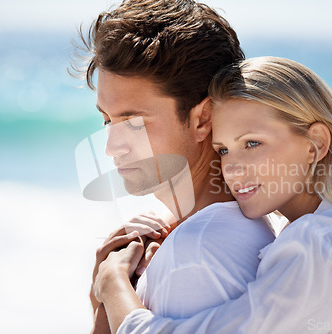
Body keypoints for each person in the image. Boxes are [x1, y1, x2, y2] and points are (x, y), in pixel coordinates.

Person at [94, 57, 332, 333]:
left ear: (316, 144)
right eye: (224, 149)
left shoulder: (322, 245)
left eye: (253, 143)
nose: (233, 168)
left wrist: (111, 283)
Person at [72, 0, 278, 333]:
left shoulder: (195, 253)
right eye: (106, 120)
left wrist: (110, 287)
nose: (111, 147)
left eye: (134, 122)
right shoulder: (216, 228)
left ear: (203, 118)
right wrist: (103, 300)